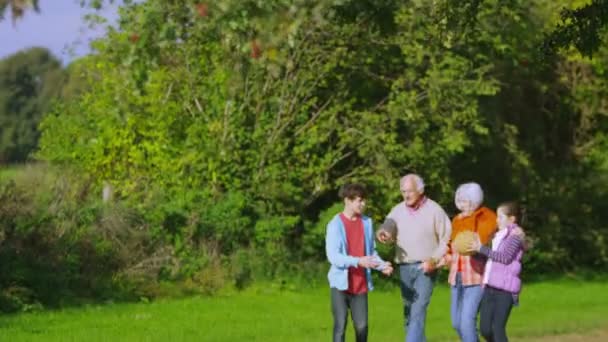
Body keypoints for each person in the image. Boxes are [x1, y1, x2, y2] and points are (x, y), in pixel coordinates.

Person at [376, 174, 452, 342]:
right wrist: (383, 234)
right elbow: (387, 226)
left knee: (418, 310)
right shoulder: (398, 210)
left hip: (425, 268)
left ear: (420, 190)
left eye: (409, 191)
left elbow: (447, 238)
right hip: (404, 267)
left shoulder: (434, 210)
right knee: (409, 312)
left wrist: (433, 260)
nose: (406, 195)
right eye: (403, 191)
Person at [326, 183, 394, 342]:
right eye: (360, 200)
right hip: (340, 285)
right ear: (347, 201)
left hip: (360, 284)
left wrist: (382, 266)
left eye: (364, 200)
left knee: (362, 327)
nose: (363, 204)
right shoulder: (335, 224)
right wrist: (358, 261)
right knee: (340, 326)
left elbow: (370, 253)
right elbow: (333, 257)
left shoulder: (367, 223)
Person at [467, 201, 526, 342]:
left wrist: (481, 248)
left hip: (505, 291)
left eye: (500, 217)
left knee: (498, 329)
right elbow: (489, 256)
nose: (497, 220)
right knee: (485, 329)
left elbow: (504, 257)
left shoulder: (515, 236)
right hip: (489, 288)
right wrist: (474, 251)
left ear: (512, 219)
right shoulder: (496, 235)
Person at [445, 183, 497, 342]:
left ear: (475, 201)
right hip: (457, 277)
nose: (462, 205)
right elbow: (451, 243)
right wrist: (447, 255)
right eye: (460, 201)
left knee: (467, 322)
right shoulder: (457, 220)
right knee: (456, 323)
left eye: (466, 201)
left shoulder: (485, 216)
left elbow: (481, 241)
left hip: (475, 277)